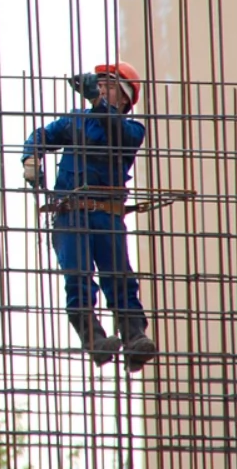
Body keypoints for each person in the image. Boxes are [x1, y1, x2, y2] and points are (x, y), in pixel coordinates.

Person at [21, 61, 157, 373]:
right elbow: (43, 134)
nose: (100, 89)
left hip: (107, 216)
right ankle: (94, 340)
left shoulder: (131, 129)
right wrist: (31, 155)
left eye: (108, 85)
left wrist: (97, 101)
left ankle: (134, 337)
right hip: (71, 215)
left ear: (124, 98)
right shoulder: (75, 122)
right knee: (78, 279)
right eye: (99, 84)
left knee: (119, 277)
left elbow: (116, 129)